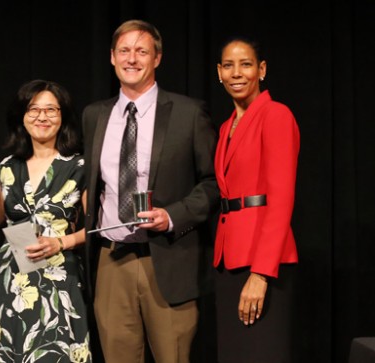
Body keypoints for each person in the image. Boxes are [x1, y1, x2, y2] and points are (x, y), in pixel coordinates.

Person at [82, 20, 219, 363]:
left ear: (157, 58)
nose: (132, 59)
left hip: (169, 259)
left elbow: (213, 182)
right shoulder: (94, 115)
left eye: (142, 51)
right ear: (112, 57)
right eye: (124, 51)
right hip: (112, 260)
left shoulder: (188, 113)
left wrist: (173, 216)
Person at [0, 80, 92, 363]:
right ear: (22, 116)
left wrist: (61, 242)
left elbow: (95, 228)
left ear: (63, 116)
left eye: (51, 110)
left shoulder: (80, 166)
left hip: (60, 278)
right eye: (33, 109)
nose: (42, 117)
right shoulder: (7, 166)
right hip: (10, 280)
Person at [213, 37, 300, 363]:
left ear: (261, 70)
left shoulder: (275, 115)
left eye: (246, 64)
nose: (237, 73)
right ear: (219, 72)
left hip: (262, 264)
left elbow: (281, 200)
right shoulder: (226, 128)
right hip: (228, 261)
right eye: (229, 65)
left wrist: (261, 273)